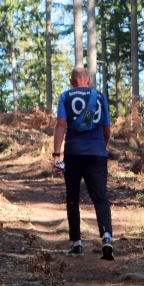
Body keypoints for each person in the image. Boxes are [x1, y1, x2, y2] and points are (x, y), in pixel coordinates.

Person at [52, 67, 114, 260]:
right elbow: (107, 130)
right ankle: (106, 237)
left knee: (73, 198)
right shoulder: (99, 96)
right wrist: (101, 147)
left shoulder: (65, 96)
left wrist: (56, 155)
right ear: (88, 80)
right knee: (100, 197)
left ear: (72, 81)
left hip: (73, 153)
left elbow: (61, 124)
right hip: (97, 153)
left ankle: (76, 244)